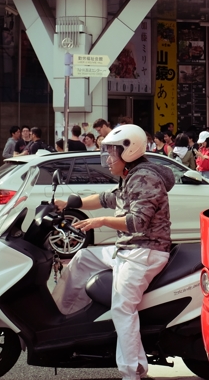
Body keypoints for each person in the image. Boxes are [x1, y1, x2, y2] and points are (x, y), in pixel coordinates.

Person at [53, 124, 174, 380]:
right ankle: (61, 321)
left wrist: (102, 221)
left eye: (111, 153)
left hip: (146, 251)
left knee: (122, 307)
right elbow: (107, 198)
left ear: (129, 151)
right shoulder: (132, 175)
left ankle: (132, 371)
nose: (107, 159)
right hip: (129, 248)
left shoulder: (145, 178)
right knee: (84, 258)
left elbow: (137, 222)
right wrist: (70, 203)